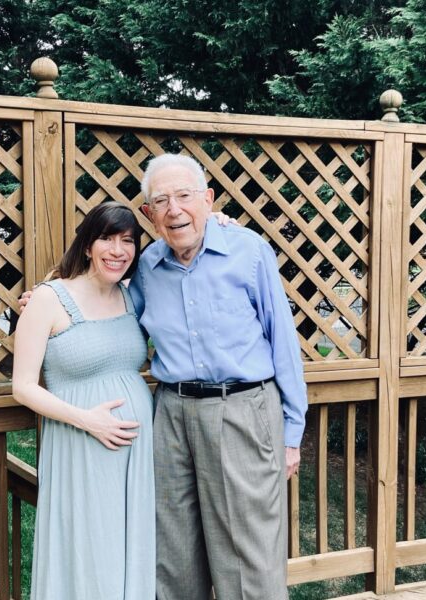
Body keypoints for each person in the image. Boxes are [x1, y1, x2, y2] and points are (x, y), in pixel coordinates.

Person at [131, 153, 307, 600]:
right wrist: (54, 295)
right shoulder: (147, 266)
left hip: (242, 411)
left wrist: (291, 434)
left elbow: (283, 343)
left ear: (208, 199)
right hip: (171, 415)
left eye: (184, 196)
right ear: (149, 213)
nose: (174, 210)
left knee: (248, 562)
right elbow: (112, 315)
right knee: (172, 554)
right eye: (161, 201)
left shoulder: (248, 251)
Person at [12, 201, 155, 599]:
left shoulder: (131, 296)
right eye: (107, 238)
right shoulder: (48, 299)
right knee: (90, 553)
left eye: (128, 241)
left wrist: (216, 220)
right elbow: (23, 386)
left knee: (130, 549)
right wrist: (87, 420)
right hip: (81, 445)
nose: (118, 250)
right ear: (88, 245)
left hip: (135, 455)